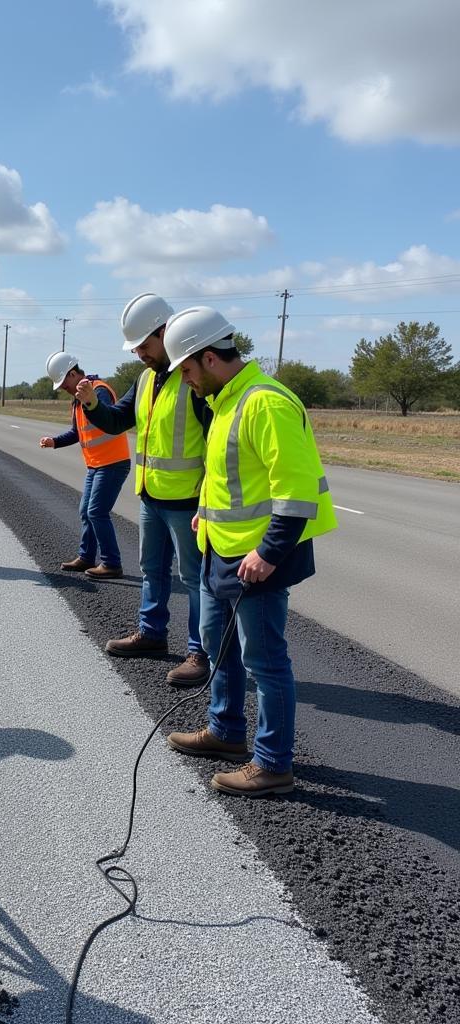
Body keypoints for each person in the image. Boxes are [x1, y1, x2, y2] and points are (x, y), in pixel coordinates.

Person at [161, 306, 338, 797]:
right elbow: (227, 474)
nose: (187, 381)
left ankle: (273, 764)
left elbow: (295, 491)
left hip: (257, 562)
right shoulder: (225, 401)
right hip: (221, 550)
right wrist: (204, 510)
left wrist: (269, 553)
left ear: (210, 358)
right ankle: (225, 732)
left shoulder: (266, 403)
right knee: (219, 649)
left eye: (188, 371)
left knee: (265, 663)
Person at [74, 293, 211, 686]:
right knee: (152, 570)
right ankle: (151, 634)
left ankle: (199, 652)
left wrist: (207, 497)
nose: (139, 354)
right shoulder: (146, 379)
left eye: (144, 346)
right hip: (152, 495)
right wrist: (90, 405)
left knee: (193, 578)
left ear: (165, 333)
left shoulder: (194, 378)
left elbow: (217, 442)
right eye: (135, 349)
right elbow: (118, 421)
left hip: (188, 500)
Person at [40, 351, 130, 580]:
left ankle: (112, 563)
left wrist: (91, 401)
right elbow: (76, 433)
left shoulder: (98, 391)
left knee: (96, 511)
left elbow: (109, 417)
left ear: (72, 374)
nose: (62, 388)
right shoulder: (78, 401)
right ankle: (86, 557)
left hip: (113, 462)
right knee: (85, 511)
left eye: (63, 383)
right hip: (96, 465)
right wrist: (54, 442)